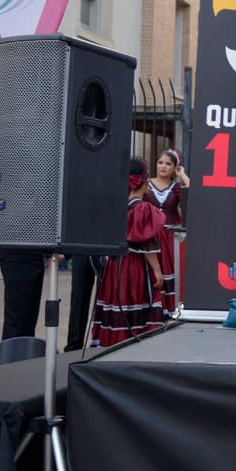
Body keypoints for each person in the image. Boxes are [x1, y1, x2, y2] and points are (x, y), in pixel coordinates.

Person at [90, 158, 167, 347]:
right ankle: (133, 345)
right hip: (134, 267)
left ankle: (113, 342)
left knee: (117, 303)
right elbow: (146, 242)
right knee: (136, 305)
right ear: (143, 180)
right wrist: (157, 269)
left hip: (115, 265)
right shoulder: (142, 209)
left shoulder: (118, 207)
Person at [142, 148, 188, 316]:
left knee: (169, 270)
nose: (163, 166)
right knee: (151, 272)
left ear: (174, 168)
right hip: (149, 235)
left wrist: (182, 174)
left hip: (169, 237)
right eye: (160, 162)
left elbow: (194, 193)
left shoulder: (176, 187)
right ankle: (151, 307)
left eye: (168, 164)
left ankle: (168, 309)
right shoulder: (146, 183)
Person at [0, 250, 45, 339]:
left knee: (28, 321)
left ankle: (25, 350)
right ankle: (13, 351)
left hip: (32, 254)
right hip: (18, 254)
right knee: (18, 321)